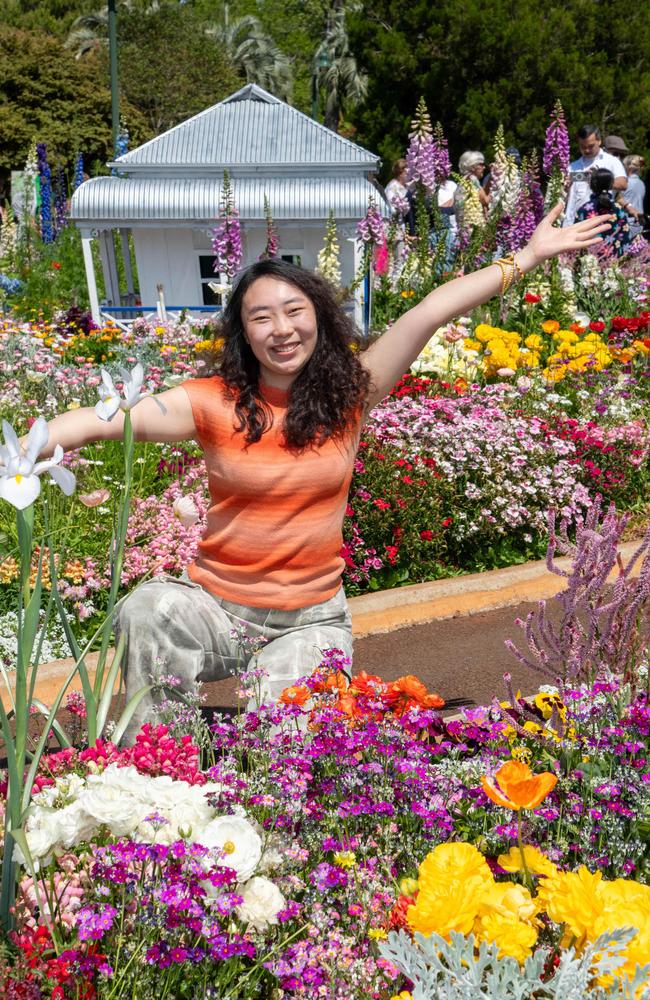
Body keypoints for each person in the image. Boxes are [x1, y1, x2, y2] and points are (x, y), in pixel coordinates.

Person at [13, 204, 611, 740]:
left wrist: (527, 258)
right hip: (216, 610)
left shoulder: (350, 395)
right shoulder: (211, 401)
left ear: (318, 317)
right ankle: (157, 760)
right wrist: (26, 451)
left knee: (283, 743)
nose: (282, 329)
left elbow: (429, 311)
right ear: (243, 333)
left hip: (309, 622)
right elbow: (103, 417)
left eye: (294, 311)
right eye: (262, 317)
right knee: (145, 609)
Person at [564, 125, 627, 225]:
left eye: (590, 146)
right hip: (573, 223)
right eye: (583, 147)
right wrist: (567, 185)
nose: (587, 150)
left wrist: (600, 179)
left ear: (599, 141)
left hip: (600, 223)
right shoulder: (572, 166)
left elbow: (623, 184)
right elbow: (564, 192)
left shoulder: (612, 161)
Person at [576, 168, 632, 256]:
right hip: (613, 262)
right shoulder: (617, 209)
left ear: (591, 185)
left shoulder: (584, 210)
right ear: (611, 185)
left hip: (588, 261)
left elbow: (576, 237)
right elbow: (625, 236)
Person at [619, 155, 646, 237]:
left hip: (626, 223)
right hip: (639, 221)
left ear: (627, 167)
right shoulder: (641, 183)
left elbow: (617, 200)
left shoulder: (624, 184)